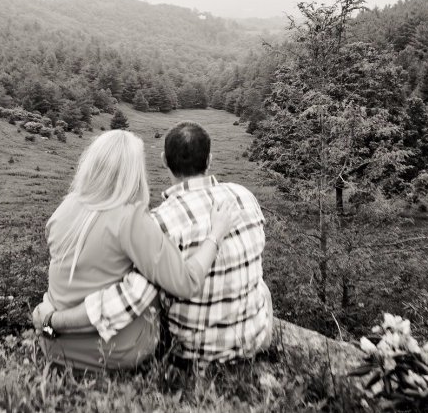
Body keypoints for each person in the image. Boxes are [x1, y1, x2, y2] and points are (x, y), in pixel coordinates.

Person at [36, 121, 273, 366]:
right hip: (110, 351)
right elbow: (184, 283)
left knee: (144, 284)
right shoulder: (244, 196)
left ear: (164, 161)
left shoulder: (65, 210)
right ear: (210, 160)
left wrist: (48, 320)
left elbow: (121, 296)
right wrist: (215, 235)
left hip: (53, 342)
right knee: (260, 285)